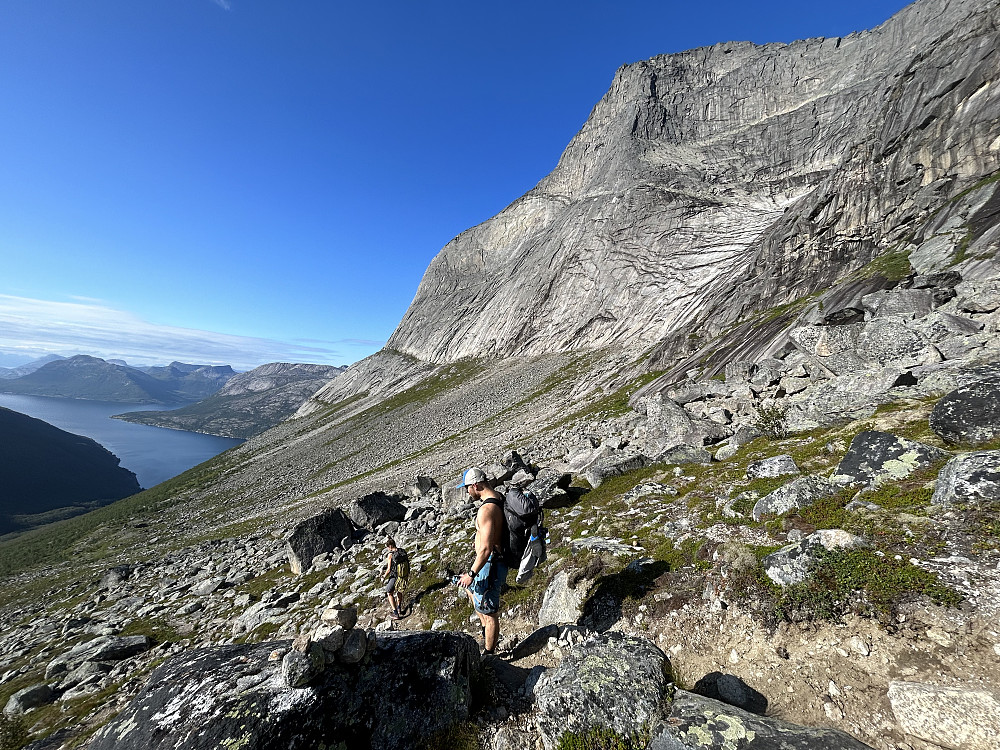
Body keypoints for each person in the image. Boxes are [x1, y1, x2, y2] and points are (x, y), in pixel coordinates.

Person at [456, 467, 508, 655]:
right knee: (473, 594)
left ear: (476, 485)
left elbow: (486, 549)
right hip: (491, 562)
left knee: (490, 612)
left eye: (467, 488)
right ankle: (486, 632)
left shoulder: (486, 509)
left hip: (490, 564)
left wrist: (471, 574)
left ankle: (489, 654)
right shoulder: (498, 498)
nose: (467, 492)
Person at [382, 538, 406, 619]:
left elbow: (388, 569)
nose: (388, 549)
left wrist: (383, 577)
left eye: (388, 547)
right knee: (399, 590)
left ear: (390, 546)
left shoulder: (390, 554)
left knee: (389, 592)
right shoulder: (401, 551)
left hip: (394, 576)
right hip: (402, 575)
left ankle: (395, 613)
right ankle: (399, 608)